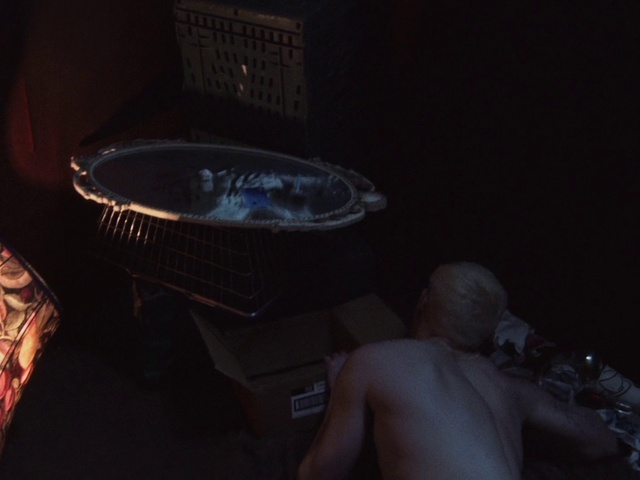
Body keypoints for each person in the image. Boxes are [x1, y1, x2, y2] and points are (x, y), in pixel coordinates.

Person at [297, 262, 620, 480]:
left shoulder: (375, 360)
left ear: (423, 302)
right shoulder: (509, 388)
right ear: (489, 333)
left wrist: (340, 389)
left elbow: (319, 473)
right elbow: (603, 442)